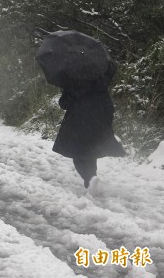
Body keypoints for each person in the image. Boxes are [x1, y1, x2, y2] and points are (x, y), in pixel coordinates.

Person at [52, 61, 126, 194]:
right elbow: (109, 106)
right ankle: (92, 179)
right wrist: (107, 122)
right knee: (91, 153)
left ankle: (89, 179)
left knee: (78, 154)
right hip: (97, 123)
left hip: (77, 123)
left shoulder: (73, 82)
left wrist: (65, 90)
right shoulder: (100, 82)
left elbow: (64, 104)